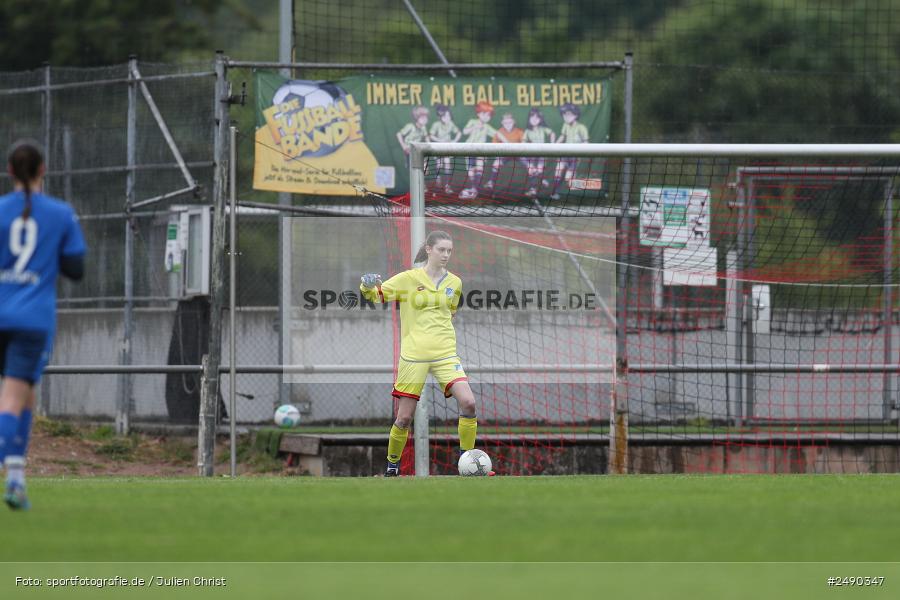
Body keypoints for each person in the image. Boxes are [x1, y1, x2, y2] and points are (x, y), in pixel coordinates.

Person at [0, 141, 86, 510]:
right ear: (43, 170)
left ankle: (17, 478)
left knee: (24, 396)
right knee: (12, 398)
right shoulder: (61, 213)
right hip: (32, 319)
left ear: (9, 171)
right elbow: (76, 269)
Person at [360, 230, 478, 476]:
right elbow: (376, 295)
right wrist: (366, 285)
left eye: (449, 250)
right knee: (404, 418)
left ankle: (467, 463)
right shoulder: (408, 279)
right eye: (441, 249)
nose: (445, 255)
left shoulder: (455, 282)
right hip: (414, 356)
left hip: (446, 354)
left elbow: (450, 312)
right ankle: (392, 468)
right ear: (428, 249)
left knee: (468, 403)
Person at [551, 103, 589, 200]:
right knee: (557, 173)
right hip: (565, 154)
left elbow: (586, 142)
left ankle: (589, 183)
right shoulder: (565, 125)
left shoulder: (582, 128)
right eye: (564, 114)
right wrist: (554, 145)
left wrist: (582, 152)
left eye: (569, 114)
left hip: (575, 157)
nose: (566, 117)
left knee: (569, 180)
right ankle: (554, 193)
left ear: (575, 115)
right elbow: (562, 136)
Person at [485, 113, 525, 192]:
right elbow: (494, 145)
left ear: (513, 122)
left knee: (531, 167)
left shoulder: (519, 132)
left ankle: (533, 188)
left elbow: (524, 144)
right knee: (496, 163)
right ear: (502, 123)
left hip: (518, 154)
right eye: (505, 123)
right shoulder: (499, 132)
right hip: (505, 155)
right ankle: (491, 182)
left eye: (509, 122)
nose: (508, 124)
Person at [522, 108, 556, 197]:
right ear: (529, 119)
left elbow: (552, 133)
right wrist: (526, 147)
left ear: (540, 119)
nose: (534, 119)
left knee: (539, 169)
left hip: (542, 153)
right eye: (532, 117)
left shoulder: (543, 129)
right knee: (532, 171)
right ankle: (535, 187)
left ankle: (542, 182)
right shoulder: (527, 131)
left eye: (537, 118)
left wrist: (552, 144)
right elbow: (523, 142)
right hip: (532, 154)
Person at [429, 104, 462, 194]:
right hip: (438, 148)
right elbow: (431, 135)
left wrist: (454, 141)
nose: (447, 117)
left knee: (447, 163)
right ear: (440, 117)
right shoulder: (436, 124)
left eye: (448, 116)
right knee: (439, 165)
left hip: (447, 148)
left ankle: (447, 186)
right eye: (445, 116)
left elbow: (459, 133)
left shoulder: (451, 124)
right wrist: (440, 140)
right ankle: (437, 185)